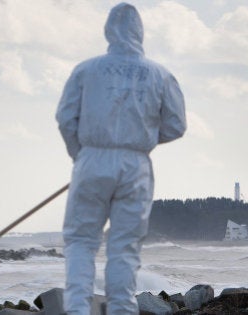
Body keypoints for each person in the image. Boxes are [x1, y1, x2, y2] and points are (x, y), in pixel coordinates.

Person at [55, 3, 186, 314]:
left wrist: (80, 154)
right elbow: (176, 125)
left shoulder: (87, 70)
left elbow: (65, 118)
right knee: (124, 248)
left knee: (81, 242)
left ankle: (76, 310)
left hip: (91, 160)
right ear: (140, 32)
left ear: (108, 31)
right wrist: (142, 139)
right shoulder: (160, 74)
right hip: (136, 165)